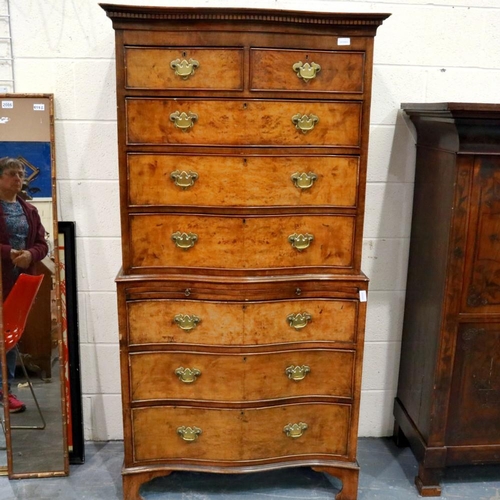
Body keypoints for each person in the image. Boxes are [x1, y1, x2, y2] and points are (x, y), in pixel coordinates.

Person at [0, 157, 48, 413]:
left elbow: (42, 244)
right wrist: (8, 252)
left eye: (20, 174)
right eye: (11, 174)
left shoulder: (29, 210)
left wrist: (30, 255)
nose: (18, 178)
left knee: (8, 337)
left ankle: (5, 392)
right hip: (1, 278)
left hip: (20, 283)